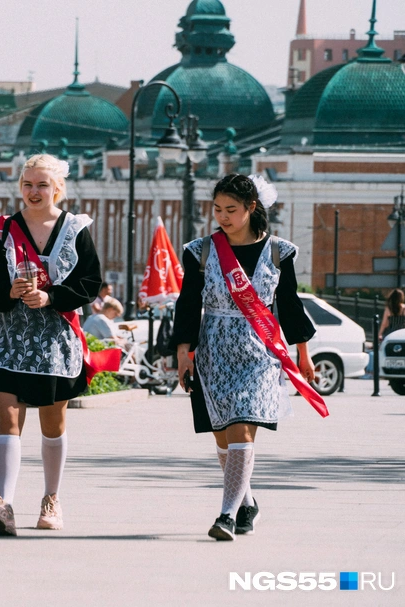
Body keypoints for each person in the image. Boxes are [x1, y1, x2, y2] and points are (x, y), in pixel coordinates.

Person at [170, 173, 317, 541]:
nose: (223, 216)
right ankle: (247, 502)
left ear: (252, 208)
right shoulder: (201, 251)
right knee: (223, 436)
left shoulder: (279, 252)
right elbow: (187, 305)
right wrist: (183, 353)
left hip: (259, 354)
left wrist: (303, 354)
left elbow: (290, 305)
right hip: (213, 352)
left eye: (231, 209)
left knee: (241, 429)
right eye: (217, 209)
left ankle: (226, 516)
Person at [0, 153, 102, 536]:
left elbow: (90, 283)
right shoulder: (2, 231)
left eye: (42, 185)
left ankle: (51, 498)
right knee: (8, 419)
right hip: (10, 340)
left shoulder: (75, 229)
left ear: (57, 188)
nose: (34, 191)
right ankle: (4, 505)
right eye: (28, 184)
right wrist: (10, 292)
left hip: (55, 343)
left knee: (52, 423)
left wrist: (51, 297)